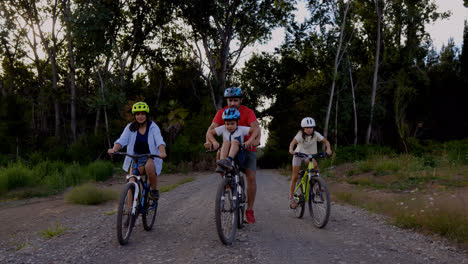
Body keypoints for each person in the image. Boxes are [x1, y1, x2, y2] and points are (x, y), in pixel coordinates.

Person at [204, 87, 261, 224]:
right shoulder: (222, 113)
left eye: (236, 100)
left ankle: (249, 210)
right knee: (220, 155)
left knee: (251, 176)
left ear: (241, 100)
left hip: (246, 148)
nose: (233, 103)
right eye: (230, 100)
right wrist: (210, 141)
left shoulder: (248, 112)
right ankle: (227, 181)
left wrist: (254, 141)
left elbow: (256, 128)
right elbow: (211, 129)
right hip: (227, 147)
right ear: (227, 101)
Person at [108, 102, 167, 200]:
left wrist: (162, 152)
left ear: (146, 115)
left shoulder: (152, 126)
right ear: (134, 115)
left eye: (143, 113)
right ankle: (129, 212)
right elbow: (122, 140)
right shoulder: (130, 127)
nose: (140, 116)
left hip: (150, 156)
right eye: (137, 114)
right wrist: (114, 149)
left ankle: (153, 190)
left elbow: (159, 141)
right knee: (132, 181)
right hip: (135, 157)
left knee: (149, 167)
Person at [288, 117, 332, 209]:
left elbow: (326, 142)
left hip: (308, 155)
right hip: (298, 155)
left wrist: (328, 149)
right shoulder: (300, 135)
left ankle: (317, 187)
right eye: (307, 128)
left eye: (311, 127)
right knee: (295, 176)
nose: (309, 129)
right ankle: (292, 197)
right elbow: (292, 143)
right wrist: (291, 150)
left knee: (315, 166)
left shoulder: (316, 134)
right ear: (303, 128)